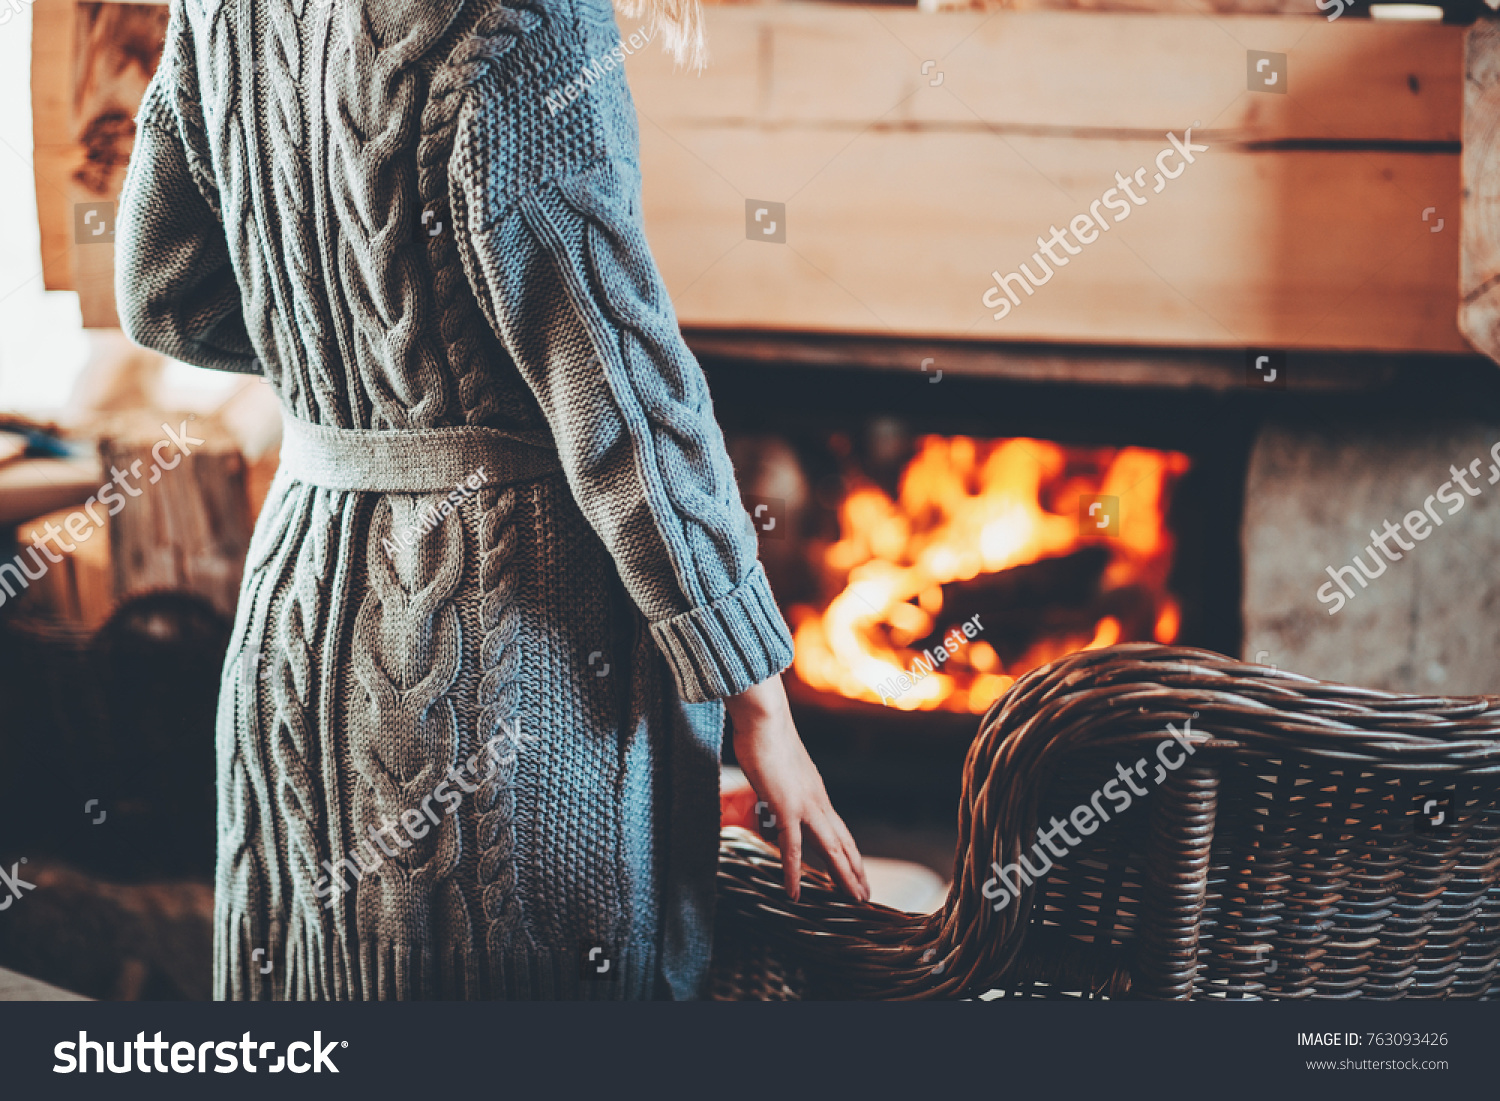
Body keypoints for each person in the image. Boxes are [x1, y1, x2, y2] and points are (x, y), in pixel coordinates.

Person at [114, 0, 866, 1001]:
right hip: (504, 654)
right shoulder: (525, 18)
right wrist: (760, 698)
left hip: (297, 629)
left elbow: (164, 294)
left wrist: (359, 377)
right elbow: (617, 390)